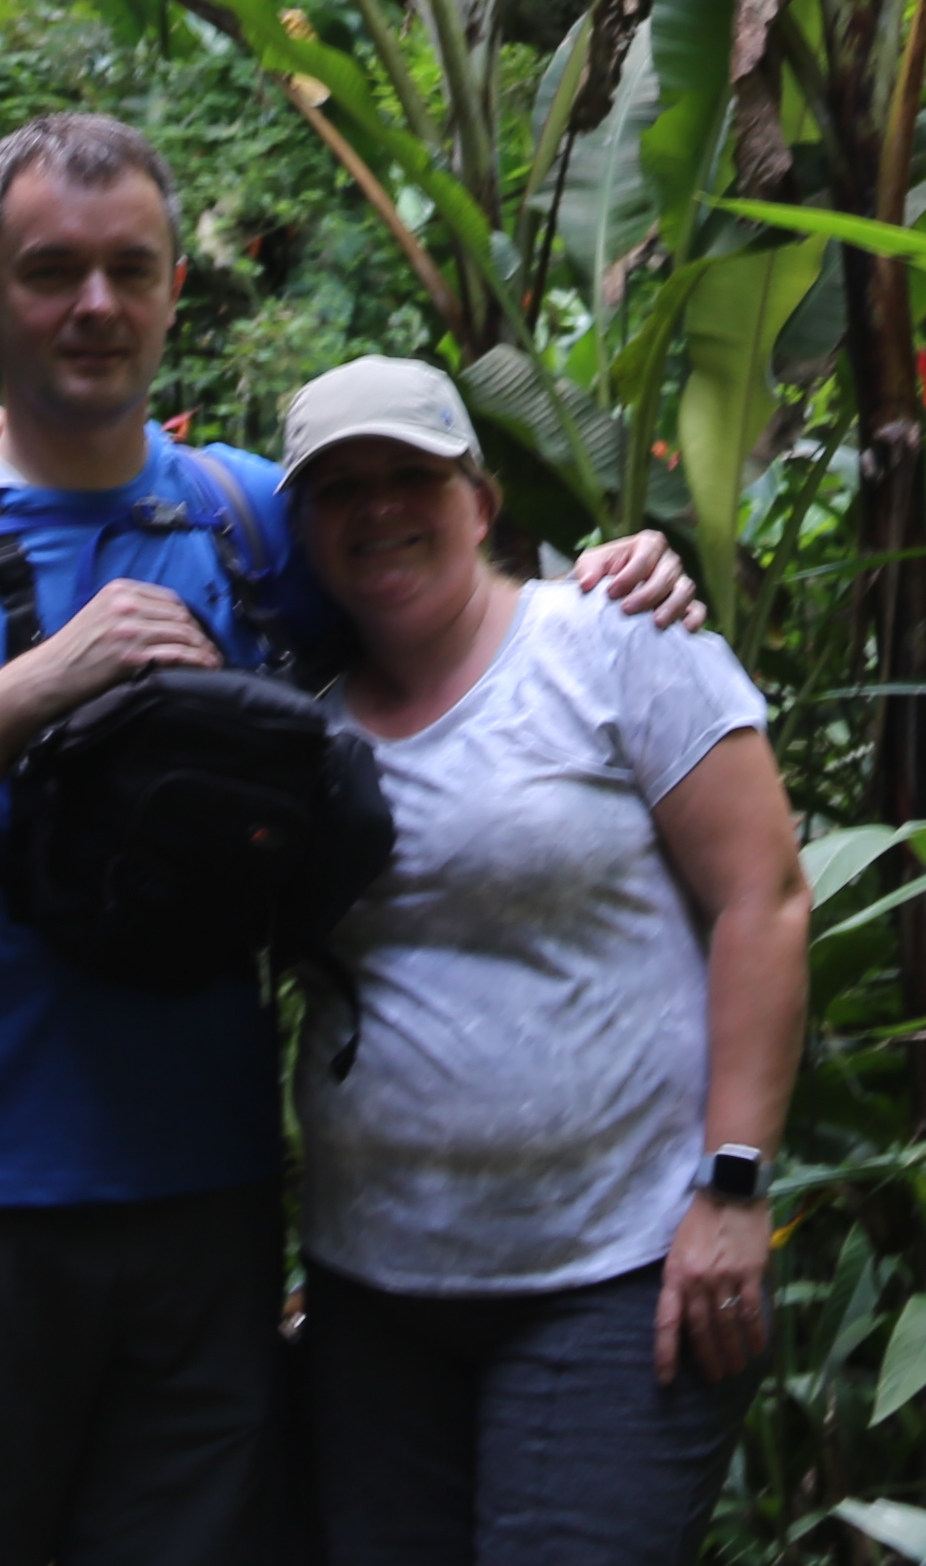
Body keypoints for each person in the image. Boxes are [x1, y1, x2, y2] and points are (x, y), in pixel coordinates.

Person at [0, 114, 692, 1566]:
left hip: (205, 1202)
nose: (96, 307)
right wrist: (45, 680)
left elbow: (443, 609)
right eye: (53, 272)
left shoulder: (248, 519)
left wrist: (618, 574)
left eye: (131, 269)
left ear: (179, 285)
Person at [279, 353, 809, 1566]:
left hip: (616, 1274)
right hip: (374, 1297)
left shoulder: (614, 641)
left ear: (478, 496)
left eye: (409, 474)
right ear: (302, 526)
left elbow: (765, 898)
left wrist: (733, 1191)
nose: (378, 509)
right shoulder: (295, 722)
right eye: (338, 487)